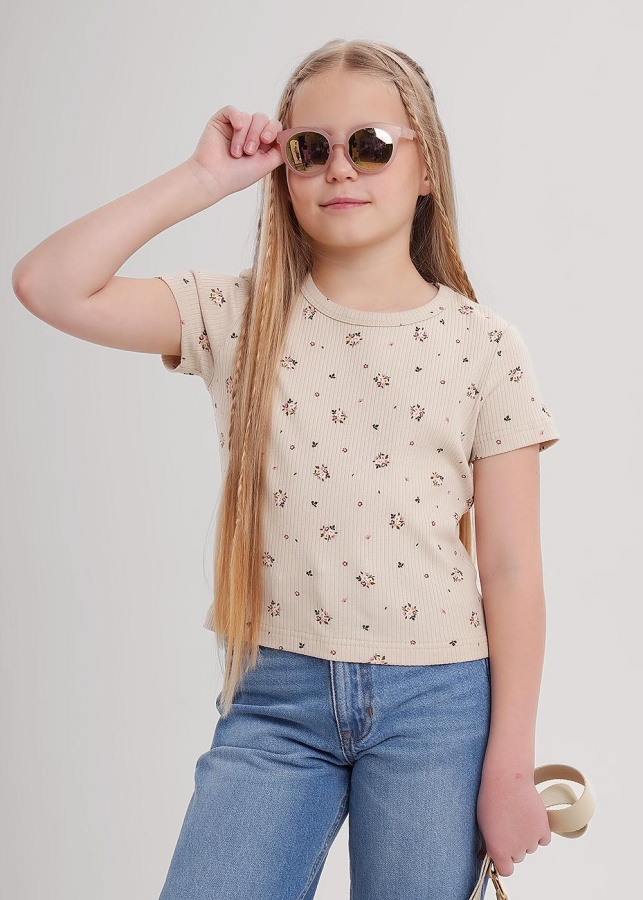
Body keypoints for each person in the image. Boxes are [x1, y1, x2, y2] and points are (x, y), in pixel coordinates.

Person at [12, 38, 559, 900]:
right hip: (275, 701)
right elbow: (49, 284)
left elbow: (512, 568)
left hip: (437, 708)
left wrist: (510, 768)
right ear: (284, 170)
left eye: (370, 145)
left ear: (424, 167)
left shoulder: (484, 346)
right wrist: (200, 179)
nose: (339, 167)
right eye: (310, 148)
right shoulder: (238, 314)